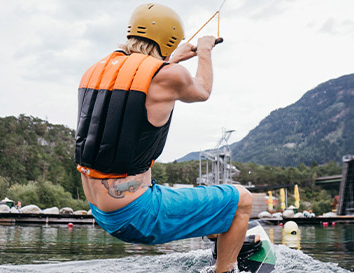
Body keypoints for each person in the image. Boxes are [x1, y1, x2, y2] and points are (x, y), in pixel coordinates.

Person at [75, 3, 257, 273]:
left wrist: (171, 60)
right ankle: (226, 269)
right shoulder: (169, 75)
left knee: (209, 202)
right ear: (169, 40)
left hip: (102, 210)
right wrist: (204, 50)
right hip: (137, 214)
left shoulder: (95, 70)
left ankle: (221, 240)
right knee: (242, 200)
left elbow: (141, 83)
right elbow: (203, 90)